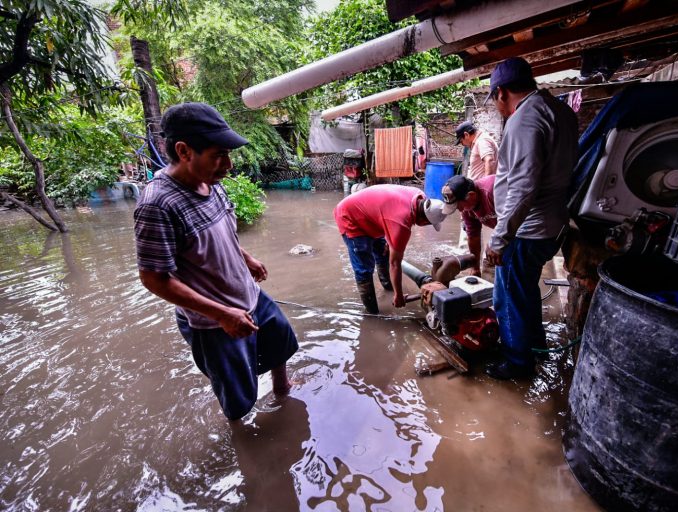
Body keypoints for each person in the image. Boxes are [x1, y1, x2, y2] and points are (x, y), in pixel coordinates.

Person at [133, 102, 298, 421]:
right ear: (184, 151)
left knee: (280, 339)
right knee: (238, 396)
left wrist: (245, 258)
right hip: (212, 321)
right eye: (219, 154)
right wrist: (222, 314)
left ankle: (284, 389)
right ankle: (247, 441)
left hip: (248, 294)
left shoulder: (212, 181)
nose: (229, 164)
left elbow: (222, 231)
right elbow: (154, 279)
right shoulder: (157, 205)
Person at [483, 57, 579, 380]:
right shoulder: (560, 110)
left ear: (501, 92)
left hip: (528, 229)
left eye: (495, 99)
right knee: (523, 290)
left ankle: (517, 363)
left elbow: (523, 186)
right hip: (552, 224)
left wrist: (499, 239)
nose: (498, 106)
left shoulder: (524, 119)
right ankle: (534, 344)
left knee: (507, 298)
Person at [334, 185, 448, 314]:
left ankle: (388, 287)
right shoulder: (401, 223)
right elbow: (395, 264)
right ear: (423, 220)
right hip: (350, 216)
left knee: (383, 253)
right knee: (364, 269)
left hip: (372, 216)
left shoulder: (420, 197)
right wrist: (399, 295)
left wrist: (391, 238)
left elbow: (390, 212)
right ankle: (372, 312)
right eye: (429, 224)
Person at [441, 174, 497, 276]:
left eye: (459, 205)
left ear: (471, 195)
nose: (460, 210)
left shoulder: (491, 191)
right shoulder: (467, 208)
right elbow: (473, 236)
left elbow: (513, 217)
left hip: (524, 221)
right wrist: (475, 267)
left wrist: (497, 241)